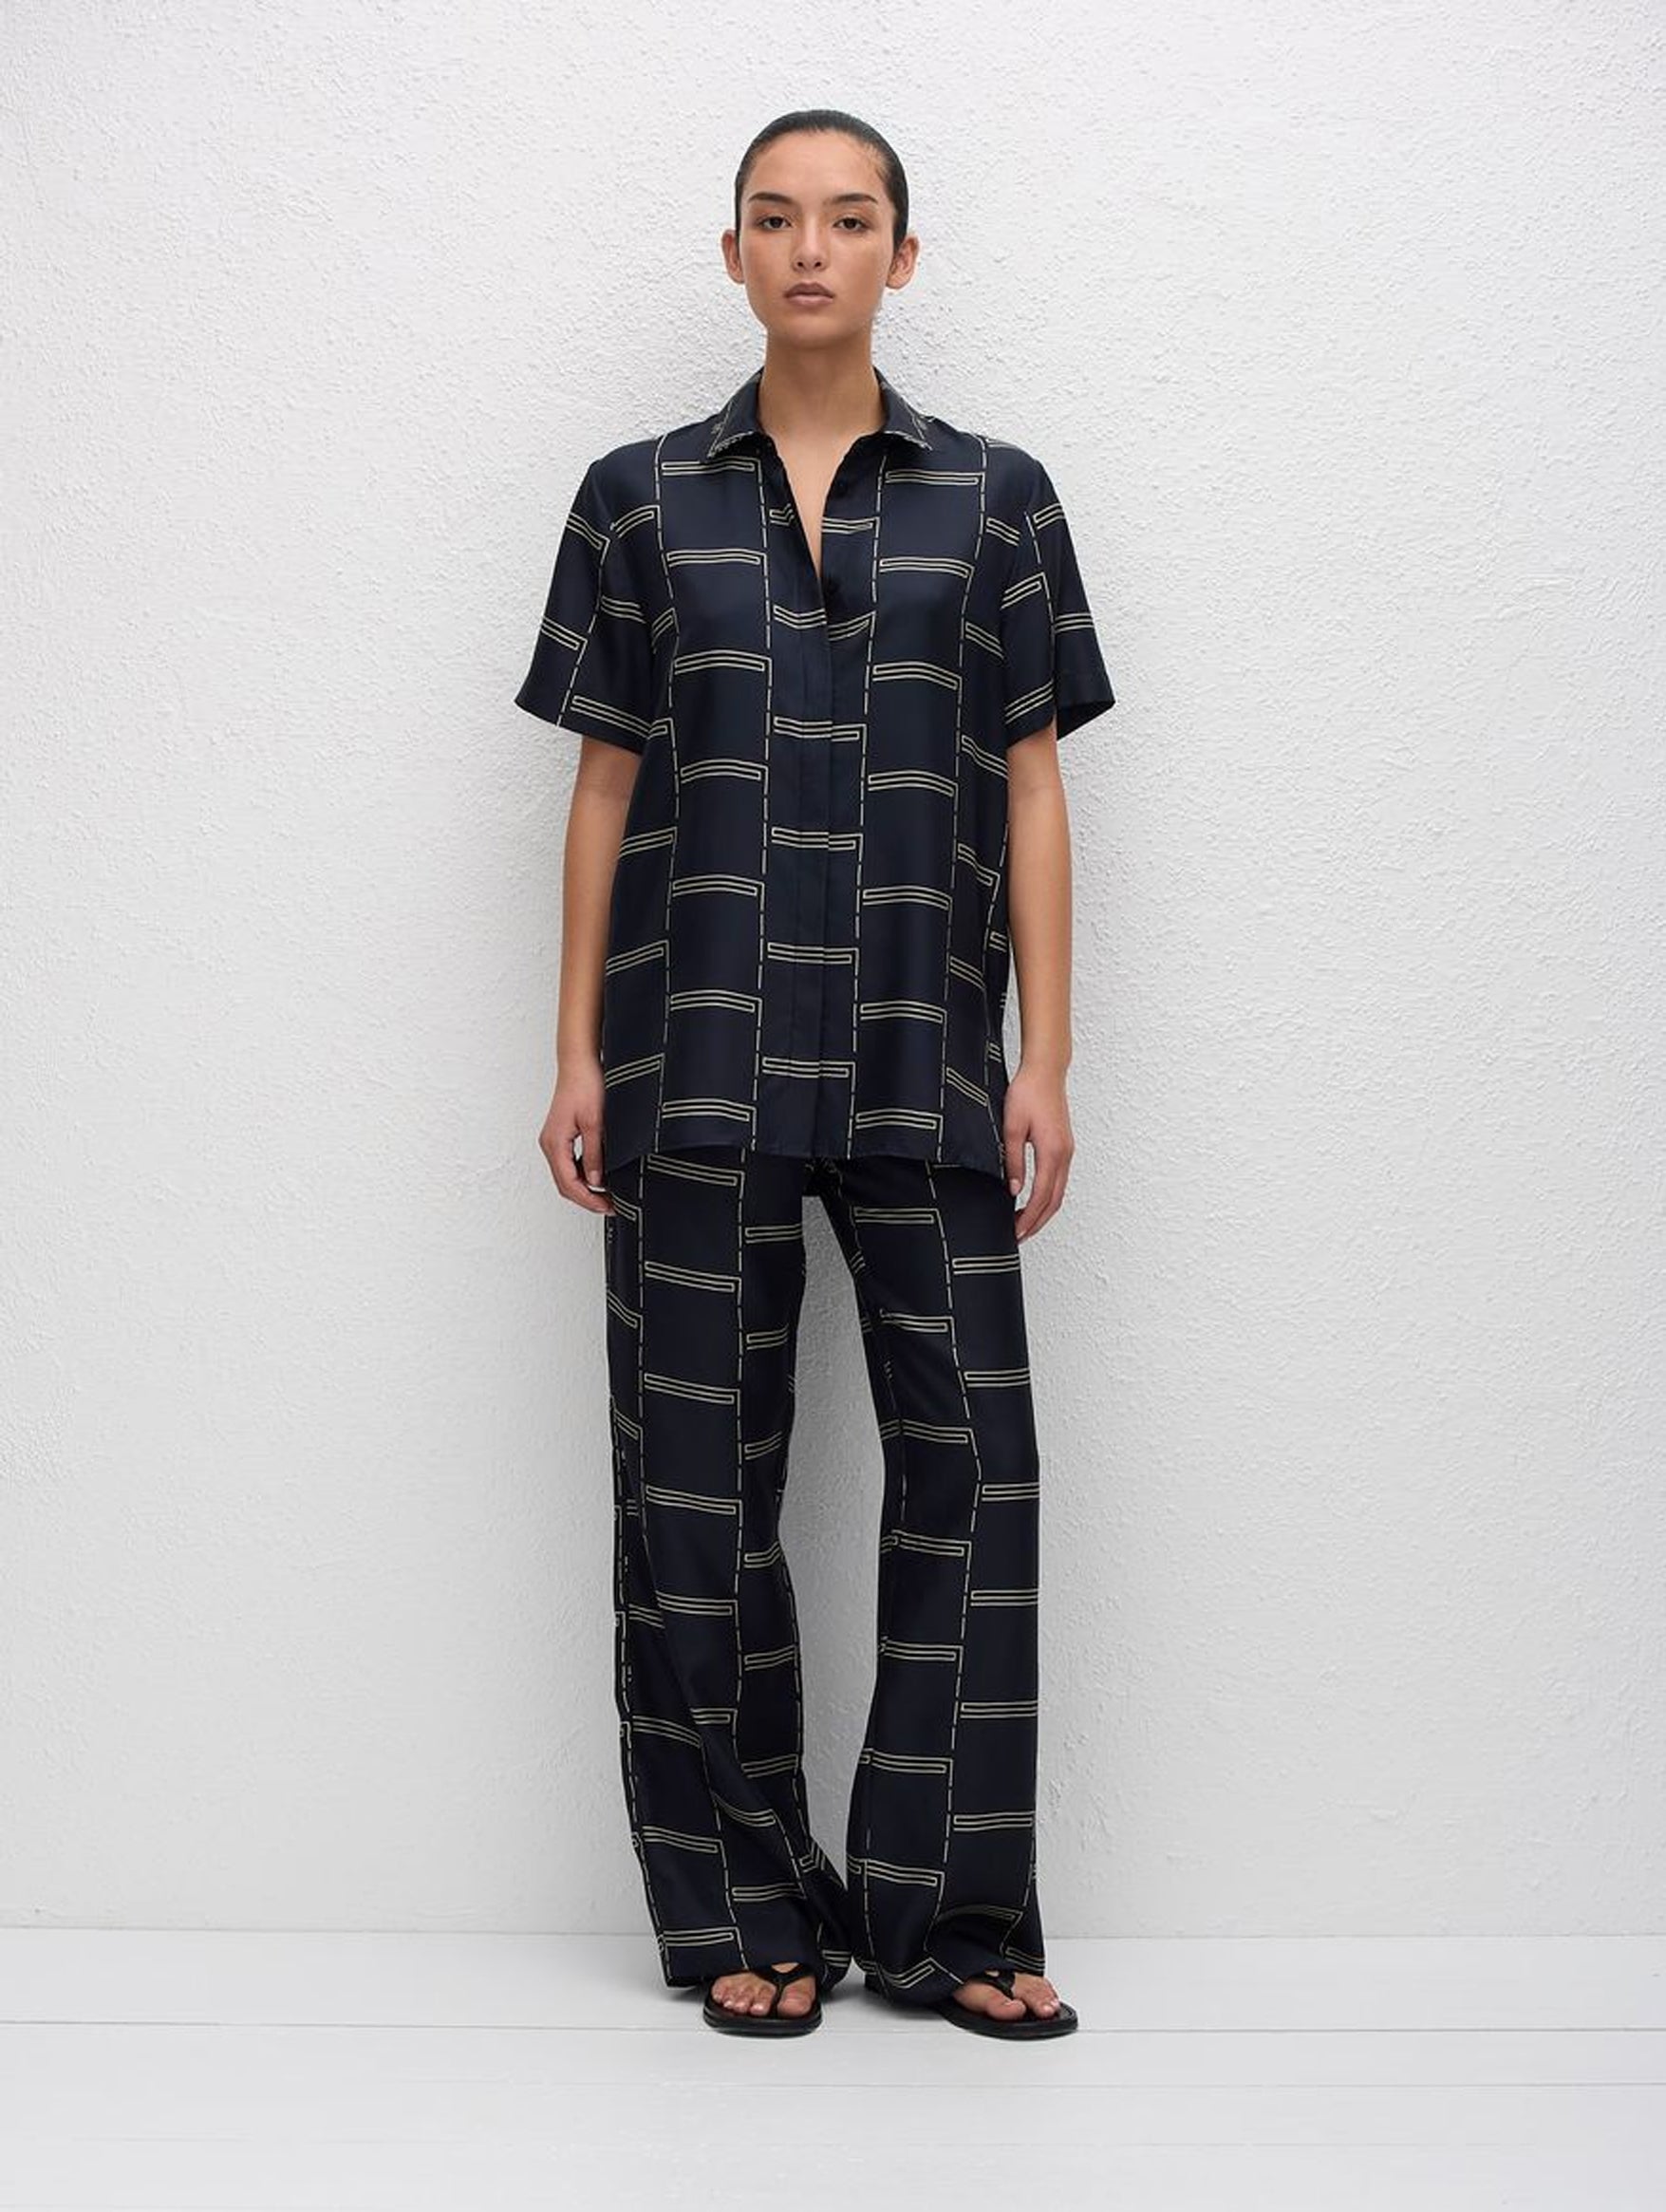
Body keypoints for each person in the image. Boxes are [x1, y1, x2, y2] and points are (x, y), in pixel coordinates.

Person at [515, 107, 1116, 2040]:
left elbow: (1033, 778)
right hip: (690, 1047)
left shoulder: (997, 499)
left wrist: (1045, 1054)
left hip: (927, 1052)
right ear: (732, 252)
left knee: (977, 1466)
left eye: (848, 220)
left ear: (899, 257)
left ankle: (951, 1914)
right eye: (774, 218)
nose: (809, 249)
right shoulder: (636, 499)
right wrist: (571, 1050)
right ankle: (740, 1908)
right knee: (695, 1488)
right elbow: (601, 782)